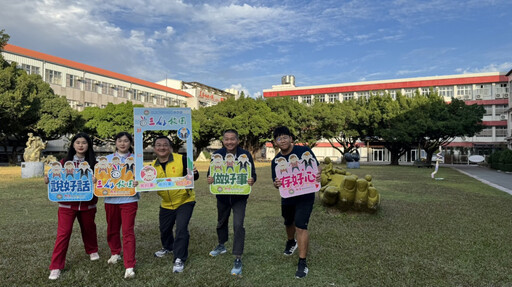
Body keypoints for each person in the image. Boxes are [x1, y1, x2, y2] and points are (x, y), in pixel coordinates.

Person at [44, 132, 99, 280]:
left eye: (84, 142)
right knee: (63, 234)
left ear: (89, 145)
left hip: (88, 204)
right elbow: (54, 178)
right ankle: (55, 267)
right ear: (73, 145)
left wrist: (96, 180)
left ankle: (92, 250)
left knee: (89, 228)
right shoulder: (63, 162)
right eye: (78, 142)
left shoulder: (95, 163)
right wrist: (48, 179)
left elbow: (103, 182)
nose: (81, 145)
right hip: (66, 205)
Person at [271, 126, 321, 279]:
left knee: (300, 225)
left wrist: (318, 174)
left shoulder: (304, 151)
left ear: (291, 138)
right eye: (279, 138)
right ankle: (290, 241)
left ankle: (302, 262)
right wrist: (276, 184)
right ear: (276, 142)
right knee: (288, 221)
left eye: (285, 137)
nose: (283, 140)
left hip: (305, 195)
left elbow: (316, 167)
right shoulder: (276, 161)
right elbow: (276, 180)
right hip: (288, 195)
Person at [207, 129, 257, 276]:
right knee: (221, 222)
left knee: (238, 225)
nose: (229, 142)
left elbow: (252, 173)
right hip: (222, 196)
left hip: (239, 197)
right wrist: (209, 178)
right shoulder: (217, 155)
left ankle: (237, 256)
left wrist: (252, 179)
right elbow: (211, 173)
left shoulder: (245, 155)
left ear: (238, 140)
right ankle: (222, 244)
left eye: (232, 139)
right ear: (223, 141)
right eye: (226, 139)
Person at [151, 135, 199, 273]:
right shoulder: (152, 167)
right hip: (166, 203)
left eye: (165, 144)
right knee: (165, 229)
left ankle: (179, 258)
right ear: (154, 148)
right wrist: (139, 184)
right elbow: (147, 186)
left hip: (185, 200)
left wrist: (194, 173)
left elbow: (193, 177)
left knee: (181, 229)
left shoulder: (182, 159)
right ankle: (168, 247)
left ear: (170, 147)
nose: (162, 147)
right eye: (158, 145)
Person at [103, 132, 139, 279]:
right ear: (115, 143)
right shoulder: (107, 160)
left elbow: (144, 180)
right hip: (110, 200)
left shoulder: (137, 159)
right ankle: (115, 252)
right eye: (120, 141)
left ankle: (129, 265)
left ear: (130, 143)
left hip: (129, 200)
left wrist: (139, 182)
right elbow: (101, 176)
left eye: (126, 141)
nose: (123, 143)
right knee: (112, 228)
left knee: (127, 231)